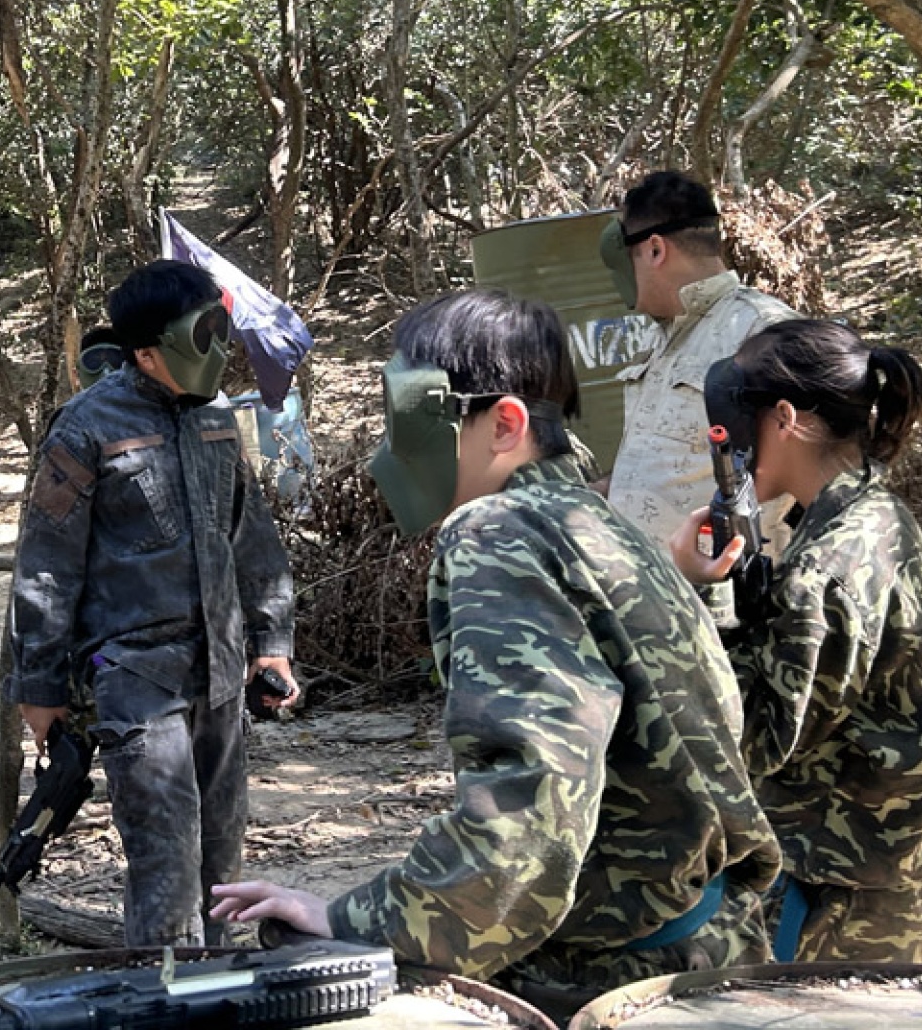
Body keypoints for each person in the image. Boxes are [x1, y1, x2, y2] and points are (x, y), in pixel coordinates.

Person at [211, 288, 779, 1009]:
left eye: (409, 418)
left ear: (505, 424)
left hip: (606, 978)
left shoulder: (497, 534)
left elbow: (533, 805)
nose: (393, 448)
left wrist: (357, 920)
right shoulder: (595, 522)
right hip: (704, 943)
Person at [665, 319, 922, 963]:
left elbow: (754, 740)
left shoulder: (826, 569)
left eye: (737, 420)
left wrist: (701, 595)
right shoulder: (875, 514)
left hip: (843, 908)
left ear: (785, 418)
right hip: (898, 879)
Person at [6, 260, 298, 946]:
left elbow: (252, 536)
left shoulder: (216, 418)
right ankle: (164, 991)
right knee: (166, 865)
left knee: (222, 863)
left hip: (221, 670)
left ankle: (219, 989)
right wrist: (40, 688)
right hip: (136, 681)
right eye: (203, 335)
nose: (218, 349)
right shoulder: (84, 429)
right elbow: (46, 565)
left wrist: (271, 643)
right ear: (146, 353)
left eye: (220, 330)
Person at [598, 171, 795, 548]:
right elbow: (668, 467)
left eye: (627, 258)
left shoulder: (764, 332)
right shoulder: (659, 338)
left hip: (723, 580)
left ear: (655, 250)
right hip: (646, 577)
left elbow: (805, 477)